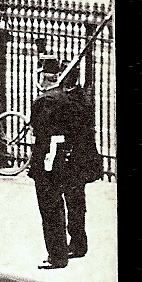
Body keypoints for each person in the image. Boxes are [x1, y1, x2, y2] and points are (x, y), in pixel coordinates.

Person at [29, 54, 104, 269]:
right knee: (75, 199)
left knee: (51, 205)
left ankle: (57, 255)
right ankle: (78, 243)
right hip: (77, 158)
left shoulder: (46, 101)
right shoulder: (81, 98)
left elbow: (39, 129)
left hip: (51, 159)